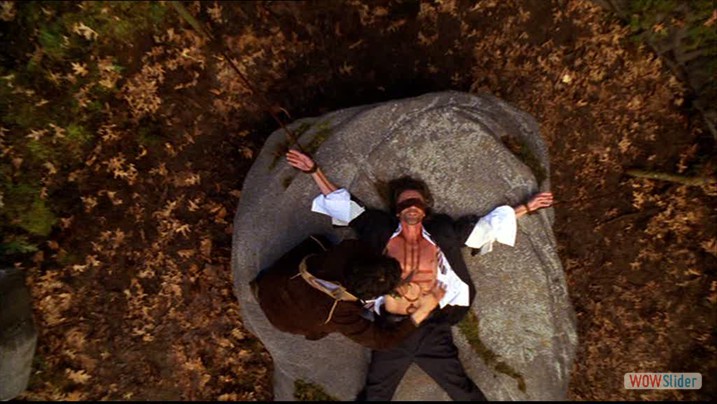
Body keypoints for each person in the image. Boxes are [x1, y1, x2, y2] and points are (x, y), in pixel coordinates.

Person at [285, 149, 554, 401]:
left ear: (425, 209)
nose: (412, 206)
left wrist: (527, 207)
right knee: (376, 394)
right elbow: (345, 206)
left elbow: (485, 228)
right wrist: (314, 171)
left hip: (432, 327)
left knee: (463, 390)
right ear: (397, 209)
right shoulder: (378, 229)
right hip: (390, 327)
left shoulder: (442, 232)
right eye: (406, 202)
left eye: (417, 202)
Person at [250, 234, 446, 351]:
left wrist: (390, 283)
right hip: (286, 318)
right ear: (368, 297)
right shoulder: (341, 314)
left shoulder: (349, 250)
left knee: (319, 242)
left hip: (271, 283)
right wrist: (422, 311)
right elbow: (383, 340)